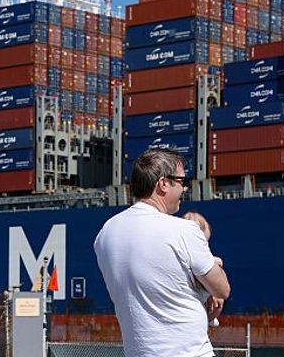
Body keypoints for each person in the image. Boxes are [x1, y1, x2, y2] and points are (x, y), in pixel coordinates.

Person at [94, 149, 231, 357]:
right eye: (182, 181)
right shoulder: (184, 230)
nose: (185, 188)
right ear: (163, 184)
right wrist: (214, 264)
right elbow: (222, 289)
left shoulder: (105, 234)